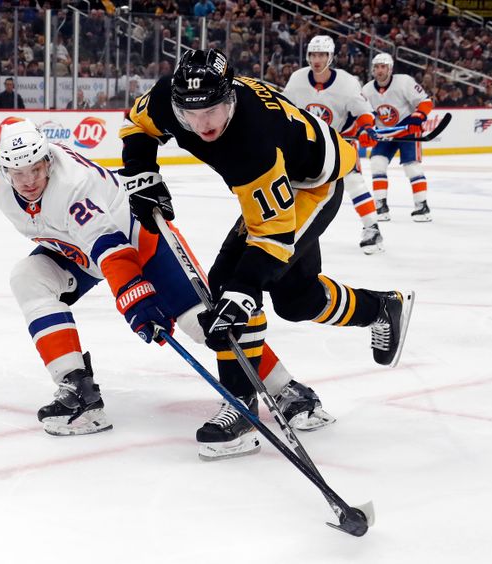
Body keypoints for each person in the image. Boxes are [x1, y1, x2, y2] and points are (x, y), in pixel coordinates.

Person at [0, 117, 335, 456]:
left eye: (36, 169)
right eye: (19, 173)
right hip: (75, 247)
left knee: (200, 324)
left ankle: (289, 391)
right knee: (28, 277)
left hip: (138, 241)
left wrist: (136, 300)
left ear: (48, 160)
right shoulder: (2, 167)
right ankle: (79, 392)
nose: (29, 181)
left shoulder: (73, 186)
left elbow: (113, 252)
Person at [119, 49, 414, 458]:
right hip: (279, 175)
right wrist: (141, 170)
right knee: (297, 301)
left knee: (230, 286)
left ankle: (239, 408)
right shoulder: (169, 96)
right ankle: (381, 308)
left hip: (311, 184)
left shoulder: (252, 140)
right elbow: (137, 125)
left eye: (214, 110)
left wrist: (244, 289)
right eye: (192, 114)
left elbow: (271, 239)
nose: (203, 125)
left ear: (232, 98)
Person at [283, 35, 383, 254]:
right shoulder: (297, 79)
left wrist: (367, 129)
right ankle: (283, 230)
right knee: (291, 184)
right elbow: (285, 107)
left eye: (322, 55)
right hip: (309, 142)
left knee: (354, 181)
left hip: (339, 140)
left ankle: (372, 228)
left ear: (331, 57)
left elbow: (363, 111)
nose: (317, 59)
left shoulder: (347, 82)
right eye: (313, 54)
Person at [362, 53, 434, 222]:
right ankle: (380, 206)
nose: (379, 70)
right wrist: (367, 128)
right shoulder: (366, 90)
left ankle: (422, 206)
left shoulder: (404, 82)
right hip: (385, 132)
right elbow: (366, 114)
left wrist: (417, 117)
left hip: (407, 128)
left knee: (412, 167)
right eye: (377, 67)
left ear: (390, 68)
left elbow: (425, 102)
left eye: (383, 67)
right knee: (377, 163)